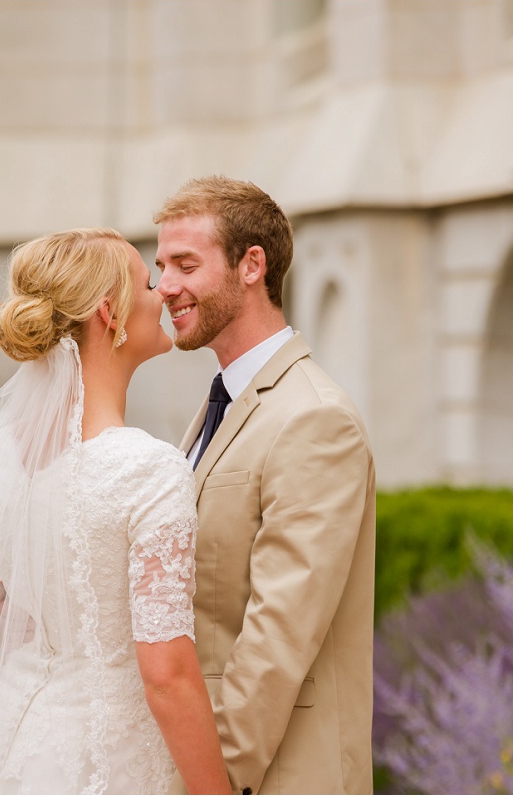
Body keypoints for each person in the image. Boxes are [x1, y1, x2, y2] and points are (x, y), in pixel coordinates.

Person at [0, 228, 231, 795]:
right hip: (108, 759)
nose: (164, 291)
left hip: (5, 736)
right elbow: (166, 675)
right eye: (148, 281)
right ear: (109, 312)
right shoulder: (146, 470)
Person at [154, 177, 377, 795]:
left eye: (185, 264)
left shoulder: (313, 418)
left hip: (271, 777)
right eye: (160, 266)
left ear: (253, 265)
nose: (164, 285)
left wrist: (212, 780)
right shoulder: (224, 401)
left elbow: (279, 632)